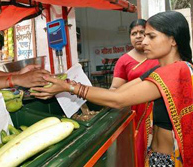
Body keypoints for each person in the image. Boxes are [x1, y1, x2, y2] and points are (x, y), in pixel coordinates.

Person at [32, 11, 193, 166]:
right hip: (155, 156)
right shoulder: (159, 70)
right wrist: (67, 84)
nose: (144, 42)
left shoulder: (178, 71)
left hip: (170, 160)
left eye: (151, 36)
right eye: (144, 36)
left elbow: (118, 100)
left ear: (173, 40)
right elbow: (117, 93)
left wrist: (69, 87)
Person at [110, 19, 159, 167]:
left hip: (159, 113)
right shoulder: (123, 61)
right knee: (136, 154)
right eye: (133, 33)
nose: (138, 36)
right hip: (135, 116)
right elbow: (115, 90)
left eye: (142, 32)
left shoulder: (159, 55)